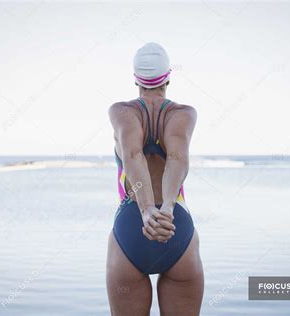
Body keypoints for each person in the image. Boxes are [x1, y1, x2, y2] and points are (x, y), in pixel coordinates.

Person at [106, 42, 204, 316]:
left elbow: (133, 154)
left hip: (131, 229)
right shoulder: (183, 114)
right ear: (168, 77)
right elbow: (177, 159)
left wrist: (147, 210)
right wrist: (166, 209)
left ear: (136, 79)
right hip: (176, 229)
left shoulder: (121, 113)